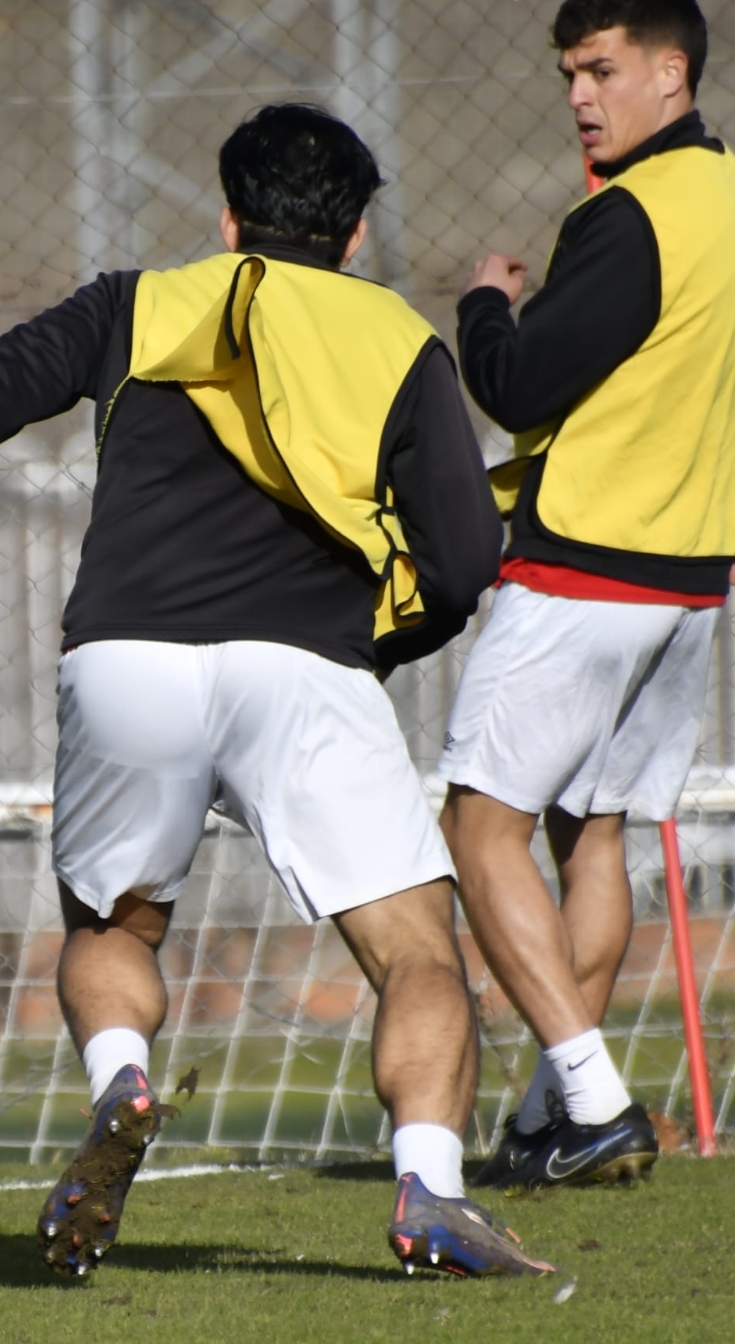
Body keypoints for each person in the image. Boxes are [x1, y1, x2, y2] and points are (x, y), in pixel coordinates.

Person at [0, 106, 553, 1278]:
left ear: (226, 220)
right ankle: (430, 1189)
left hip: (126, 660)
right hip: (303, 665)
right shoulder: (399, 341)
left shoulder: (137, 303)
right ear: (356, 236)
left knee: (112, 926)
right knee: (418, 952)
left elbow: (3, 379)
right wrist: (379, 638)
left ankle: (122, 1083)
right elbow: (463, 560)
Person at [443, 0, 733, 1192]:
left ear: (671, 72)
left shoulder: (630, 214)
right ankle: (545, 1121)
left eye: (600, 70)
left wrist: (483, 301)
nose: (578, 96)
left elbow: (517, 386)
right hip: (691, 578)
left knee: (478, 828)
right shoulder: (723, 198)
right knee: (590, 833)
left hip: (586, 566)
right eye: (569, 72)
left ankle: (600, 1104)